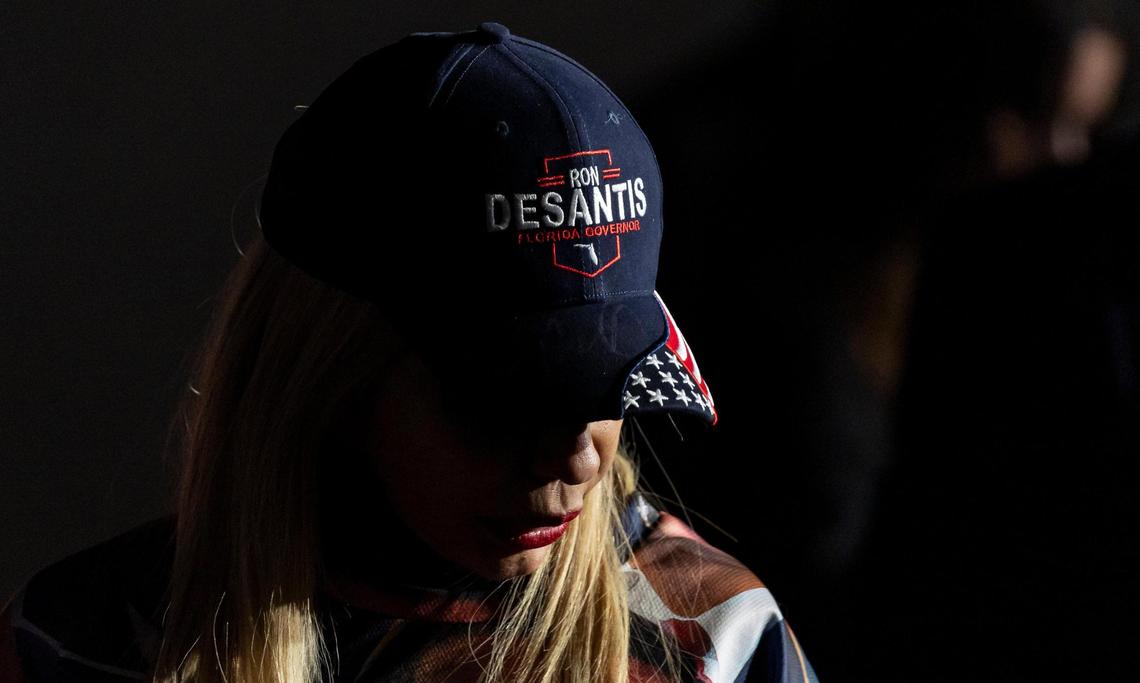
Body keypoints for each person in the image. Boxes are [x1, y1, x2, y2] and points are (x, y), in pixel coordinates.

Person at [0, 22, 820, 683]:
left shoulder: (720, 643)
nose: (576, 459)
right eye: (508, 397)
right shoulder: (79, 643)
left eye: (610, 383)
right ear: (327, 373)